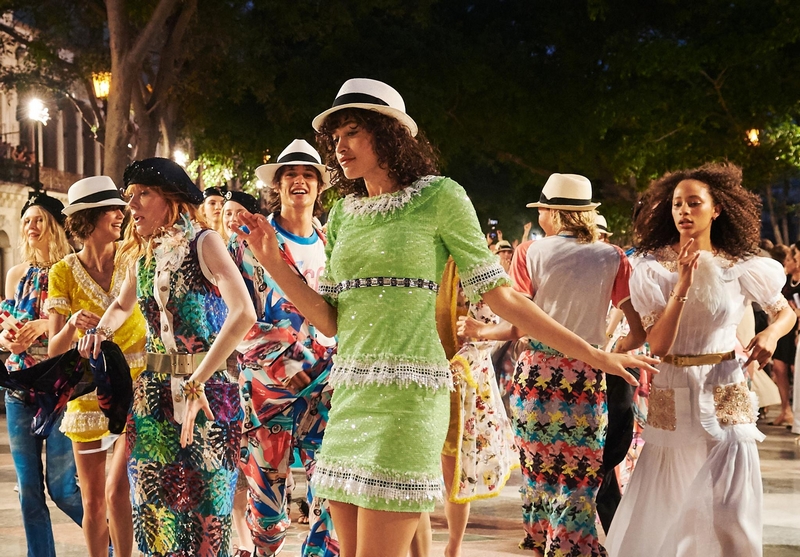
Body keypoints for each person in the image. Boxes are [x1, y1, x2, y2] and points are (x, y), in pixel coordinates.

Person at [235, 78, 656, 557]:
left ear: (388, 134)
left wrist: (592, 353)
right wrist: (272, 263)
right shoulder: (347, 215)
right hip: (349, 399)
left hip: (410, 400)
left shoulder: (441, 198)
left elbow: (505, 299)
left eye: (352, 131)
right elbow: (330, 321)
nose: (340, 146)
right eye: (335, 138)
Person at [605, 162, 796, 557]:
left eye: (694, 203)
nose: (684, 211)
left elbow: (785, 311)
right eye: (677, 204)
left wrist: (771, 334)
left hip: (726, 385)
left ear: (717, 209)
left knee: (730, 504)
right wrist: (684, 286)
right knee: (671, 499)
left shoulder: (741, 264)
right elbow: (656, 346)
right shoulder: (652, 268)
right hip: (673, 387)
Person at [460, 174, 647, 556]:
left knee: (540, 475)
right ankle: (574, 546)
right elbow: (638, 330)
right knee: (579, 474)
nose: (541, 213)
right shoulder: (613, 256)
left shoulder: (531, 252)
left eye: (543, 207)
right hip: (586, 378)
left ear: (553, 213)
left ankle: (546, 544)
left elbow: (517, 324)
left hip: (537, 378)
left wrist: (480, 330)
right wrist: (611, 352)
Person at [78, 158, 256, 557]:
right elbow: (123, 305)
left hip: (209, 393)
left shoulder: (204, 242)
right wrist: (99, 332)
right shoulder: (142, 254)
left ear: (171, 200)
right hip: (153, 397)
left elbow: (244, 312)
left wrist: (198, 380)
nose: (132, 206)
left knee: (207, 518)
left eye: (143, 195)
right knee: (156, 513)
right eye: (130, 197)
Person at [232, 138, 337, 557]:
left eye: (308, 174)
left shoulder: (333, 243)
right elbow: (235, 313)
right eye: (290, 174)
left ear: (319, 187)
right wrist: (293, 356)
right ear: (277, 185)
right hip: (266, 390)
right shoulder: (251, 242)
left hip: (328, 384)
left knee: (330, 486)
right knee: (268, 503)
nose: (299, 180)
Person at [46, 176, 146, 557]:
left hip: (137, 388)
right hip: (86, 394)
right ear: (88, 219)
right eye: (111, 209)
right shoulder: (63, 272)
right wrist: (72, 323)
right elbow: (55, 348)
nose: (121, 214)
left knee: (119, 490)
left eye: (121, 208)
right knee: (93, 501)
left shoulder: (135, 257)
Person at [0, 191, 83, 557]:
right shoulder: (16, 274)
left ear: (55, 226)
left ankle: (112, 543)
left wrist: (42, 326)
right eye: (26, 221)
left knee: (64, 488)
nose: (31, 227)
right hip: (19, 386)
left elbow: (86, 327)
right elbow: (5, 321)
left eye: (38, 220)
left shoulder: (72, 269)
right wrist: (7, 336)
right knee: (28, 490)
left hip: (61, 387)